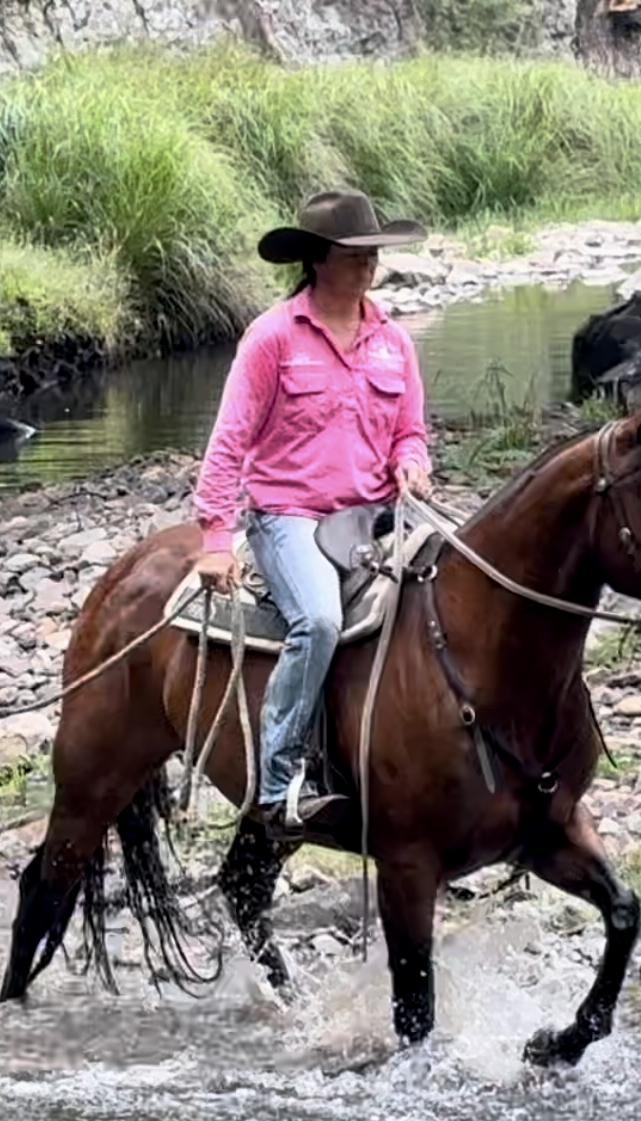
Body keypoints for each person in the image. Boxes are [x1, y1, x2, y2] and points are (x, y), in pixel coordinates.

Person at [190, 188, 435, 837]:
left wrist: (412, 463)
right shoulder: (273, 338)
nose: (369, 266)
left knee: (457, 581)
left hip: (376, 513)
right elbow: (230, 439)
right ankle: (278, 782)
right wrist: (215, 537)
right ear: (319, 260)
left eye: (373, 254)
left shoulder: (393, 342)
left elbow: (411, 431)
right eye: (355, 255)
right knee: (320, 620)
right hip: (289, 515)